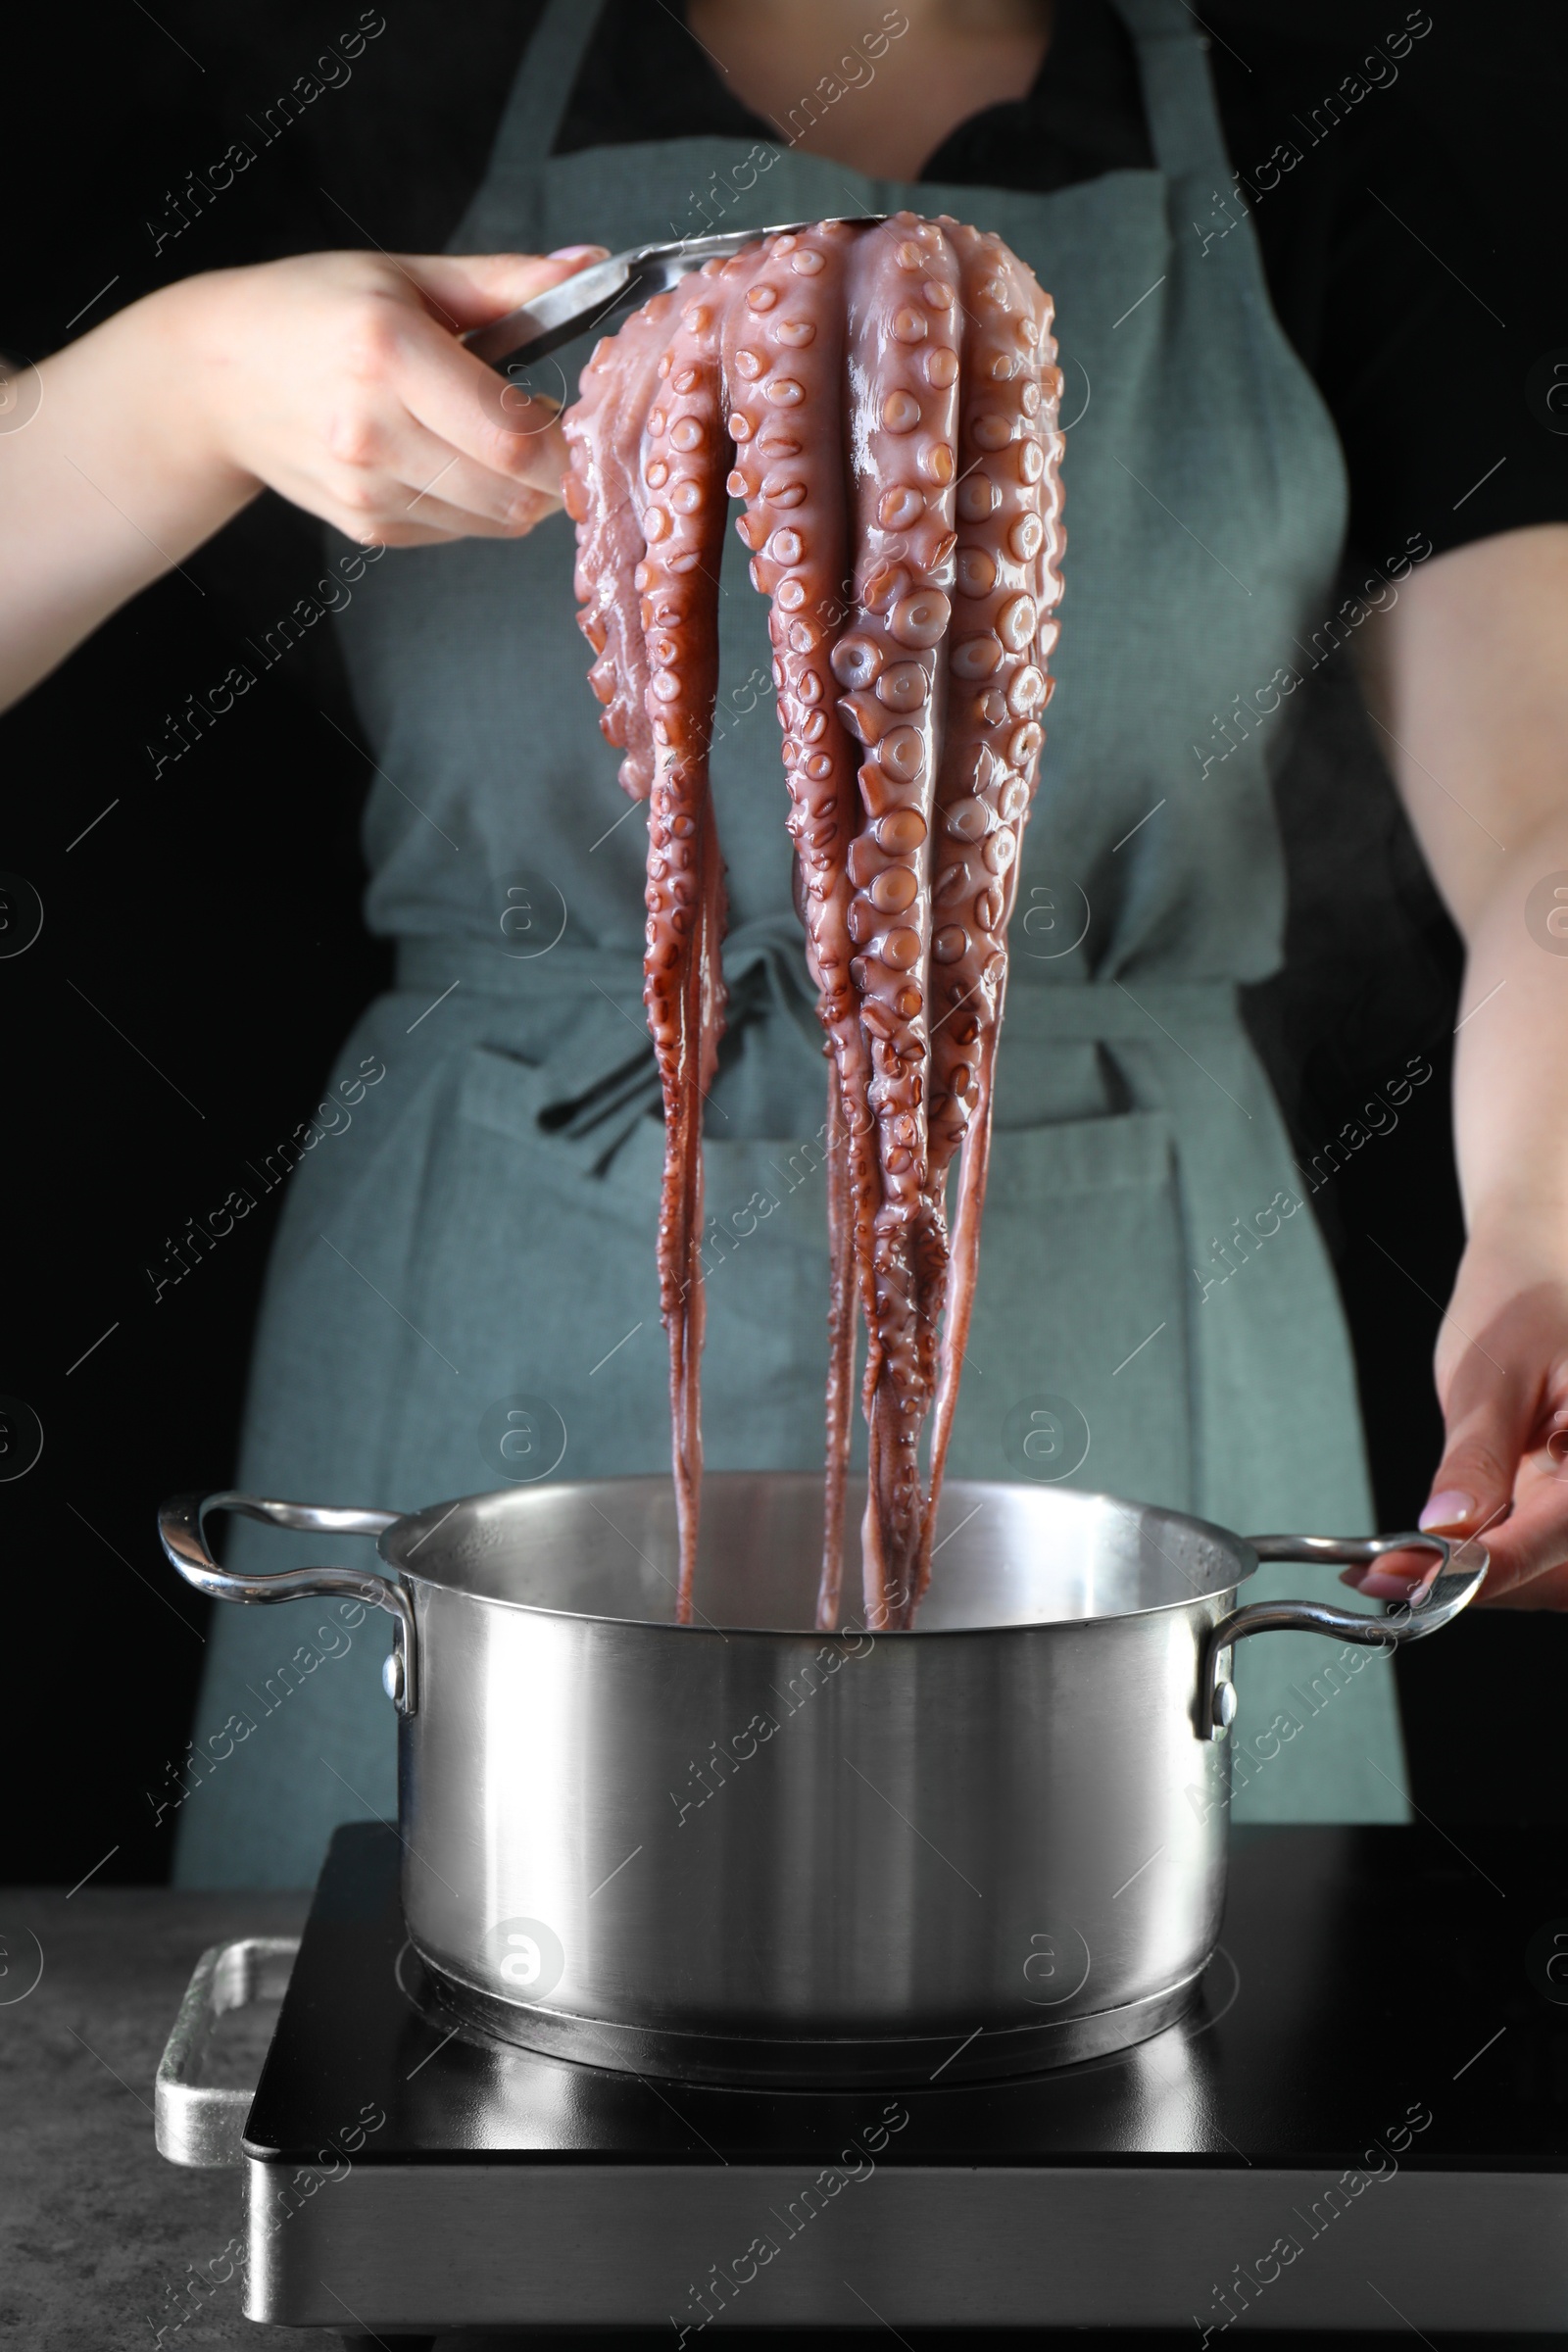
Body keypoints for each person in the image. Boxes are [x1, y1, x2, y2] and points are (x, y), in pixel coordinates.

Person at [6, 0, 1566, 1887]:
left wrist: (1545, 1243)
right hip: (490, 1282)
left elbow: (1546, 827)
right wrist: (166, 389)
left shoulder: (1310, 129)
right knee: (443, 2055)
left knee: (1156, 2081)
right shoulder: (378, 81)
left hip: (1146, 1328)